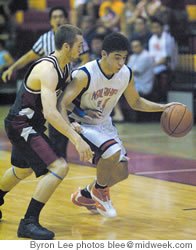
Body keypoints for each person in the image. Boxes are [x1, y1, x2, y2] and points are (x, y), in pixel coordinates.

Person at [59, 32, 178, 218]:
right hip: (81, 124)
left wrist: (163, 108)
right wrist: (76, 122)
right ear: (104, 54)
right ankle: (100, 192)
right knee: (112, 152)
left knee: (122, 173)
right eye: (117, 57)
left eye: (124, 57)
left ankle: (86, 193)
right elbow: (62, 102)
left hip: (104, 124)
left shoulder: (126, 73)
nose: (121, 62)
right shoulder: (84, 74)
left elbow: (136, 102)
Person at [0, 24, 93, 240]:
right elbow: (51, 113)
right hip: (21, 124)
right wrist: (76, 139)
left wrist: (77, 116)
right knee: (59, 166)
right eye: (79, 46)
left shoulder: (66, 67)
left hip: (30, 124)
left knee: (21, 170)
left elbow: (60, 103)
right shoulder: (48, 69)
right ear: (67, 46)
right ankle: (28, 222)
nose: (82, 49)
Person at [2, 6, 89, 159]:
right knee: (57, 161)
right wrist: (13, 67)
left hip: (48, 105)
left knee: (23, 169)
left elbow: (86, 60)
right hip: (26, 118)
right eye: (55, 17)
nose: (58, 20)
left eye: (61, 16)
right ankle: (59, 161)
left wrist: (79, 111)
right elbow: (29, 56)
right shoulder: (48, 59)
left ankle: (59, 159)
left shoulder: (70, 56)